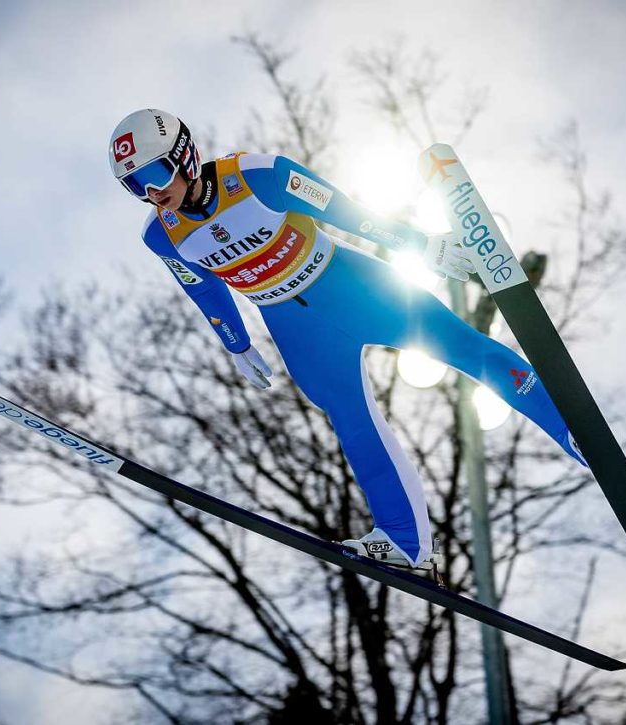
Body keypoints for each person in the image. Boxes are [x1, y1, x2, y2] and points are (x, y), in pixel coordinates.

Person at [109, 109, 586, 571]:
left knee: (462, 346)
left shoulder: (259, 175)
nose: (151, 193)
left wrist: (422, 244)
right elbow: (203, 288)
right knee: (352, 423)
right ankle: (405, 541)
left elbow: (348, 214)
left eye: (155, 172)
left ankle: (571, 430)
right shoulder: (161, 235)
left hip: (352, 286)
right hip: (295, 329)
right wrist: (236, 344)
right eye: (135, 185)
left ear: (185, 155)